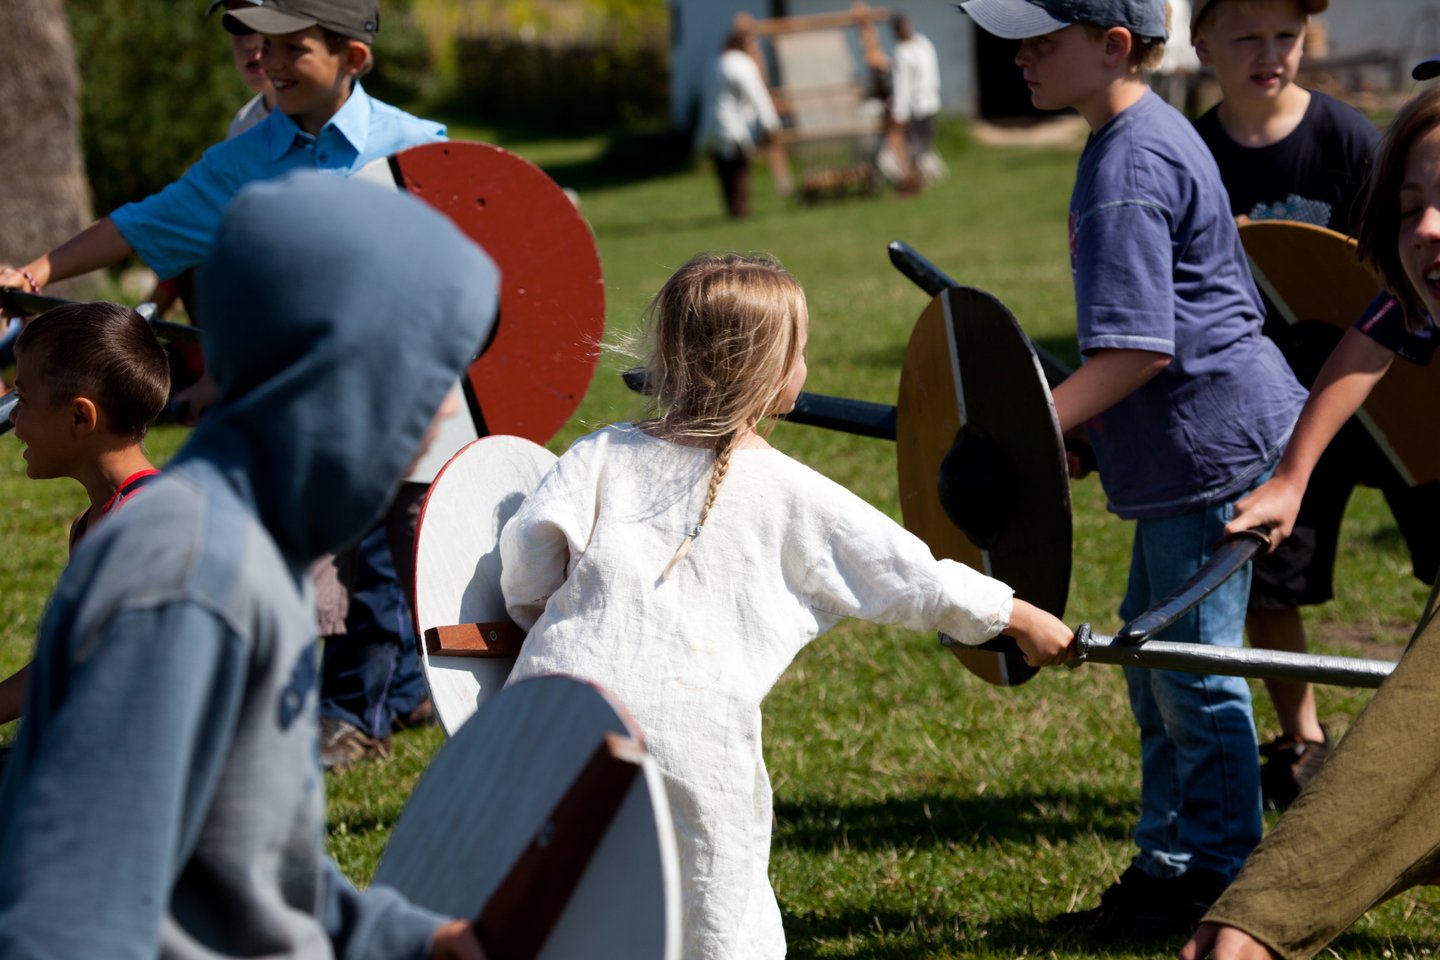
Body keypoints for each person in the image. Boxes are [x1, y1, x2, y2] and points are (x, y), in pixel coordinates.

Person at [498, 252, 1076, 960]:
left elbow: (527, 558)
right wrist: (1018, 617)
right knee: (715, 910)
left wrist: (538, 621)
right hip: (694, 736)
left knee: (563, 900)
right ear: (776, 373)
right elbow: (911, 575)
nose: (806, 364)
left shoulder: (599, 454)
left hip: (555, 713)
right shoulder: (789, 490)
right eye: (800, 350)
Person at [0, 172, 497, 960]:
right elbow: (71, 915)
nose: (444, 407)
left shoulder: (246, 551)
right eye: (431, 375)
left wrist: (407, 936)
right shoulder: (194, 575)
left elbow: (244, 860)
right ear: (343, 374)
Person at [958, 0, 1307, 940]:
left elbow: (1141, 349)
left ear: (1114, 45)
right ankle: (1171, 861)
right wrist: (1089, 431)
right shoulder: (1138, 134)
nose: (1021, 56)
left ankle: (1220, 884)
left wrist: (1035, 431)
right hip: (1186, 444)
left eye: (1043, 39)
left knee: (1192, 673)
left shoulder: (1128, 163)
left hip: (1210, 449)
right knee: (1153, 666)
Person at [1184, 83, 1440, 960]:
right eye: (1411, 206)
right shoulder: (1416, 300)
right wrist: (1292, 478)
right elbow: (1367, 339)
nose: (1430, 229)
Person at [0, 0, 443, 305]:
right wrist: (35, 272)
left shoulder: (423, 148)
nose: (271, 63)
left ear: (352, 58)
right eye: (268, 46)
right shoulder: (237, 162)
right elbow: (138, 225)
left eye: (294, 49)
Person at [0, 302, 170, 728]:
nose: (14, 420)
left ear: (80, 416)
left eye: (23, 398)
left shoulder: (143, 527)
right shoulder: (95, 523)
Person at [694, 26, 782, 219]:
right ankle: (740, 212)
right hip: (732, 127)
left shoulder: (715, 60)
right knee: (739, 171)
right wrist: (771, 124)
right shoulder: (741, 63)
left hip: (711, 127)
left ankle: (733, 211)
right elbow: (757, 95)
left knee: (725, 172)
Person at [889, 14, 946, 192]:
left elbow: (903, 86)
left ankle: (915, 182)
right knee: (920, 146)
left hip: (921, 105)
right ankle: (919, 180)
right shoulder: (918, 45)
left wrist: (899, 114)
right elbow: (904, 84)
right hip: (924, 104)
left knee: (915, 147)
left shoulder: (910, 49)